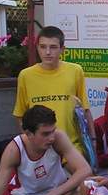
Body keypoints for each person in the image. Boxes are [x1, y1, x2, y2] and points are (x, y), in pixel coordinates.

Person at [14, 25, 95, 157]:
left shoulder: (75, 71)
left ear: (62, 49)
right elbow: (20, 115)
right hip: (41, 151)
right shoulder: (26, 75)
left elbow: (85, 109)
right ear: (37, 48)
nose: (47, 52)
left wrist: (93, 140)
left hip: (72, 147)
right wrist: (31, 145)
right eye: (43, 47)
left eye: (53, 47)